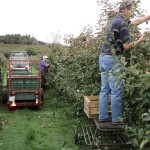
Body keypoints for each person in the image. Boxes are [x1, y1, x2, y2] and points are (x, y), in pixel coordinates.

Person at [99, 1, 150, 125]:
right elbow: (126, 46)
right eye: (130, 10)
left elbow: (136, 21)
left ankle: (103, 116)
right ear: (126, 10)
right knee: (116, 90)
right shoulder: (123, 25)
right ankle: (116, 119)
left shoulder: (116, 20)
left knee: (104, 89)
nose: (131, 12)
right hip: (112, 59)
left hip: (103, 57)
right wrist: (139, 40)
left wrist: (148, 16)